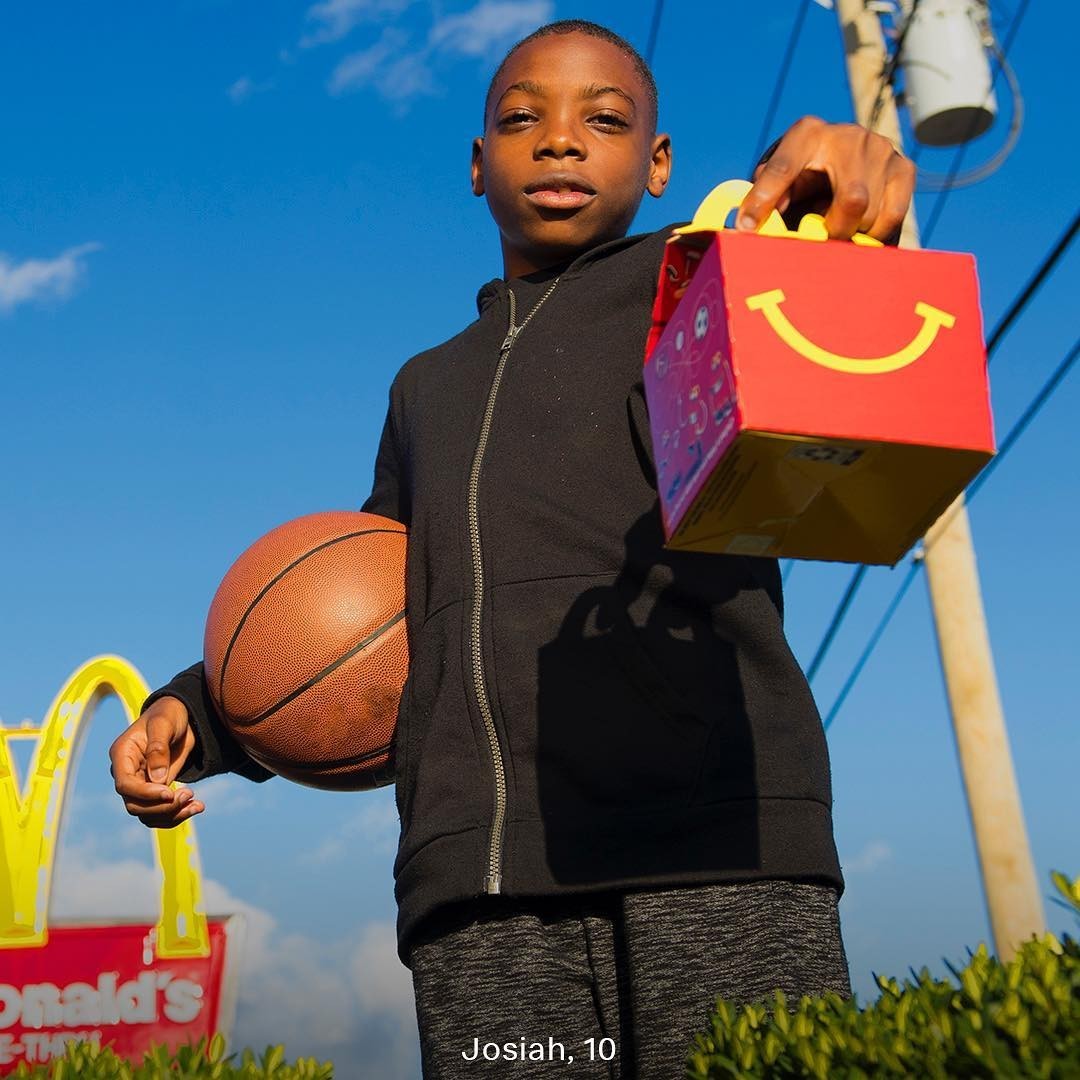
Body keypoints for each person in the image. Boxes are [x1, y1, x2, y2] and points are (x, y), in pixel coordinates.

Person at [109, 19, 915, 1078]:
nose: (562, 140)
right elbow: (380, 599)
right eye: (523, 117)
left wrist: (827, 176)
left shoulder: (698, 289)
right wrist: (202, 710)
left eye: (606, 119)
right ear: (477, 164)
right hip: (481, 886)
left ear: (661, 162)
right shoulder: (423, 387)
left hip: (717, 848)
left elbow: (810, 262)